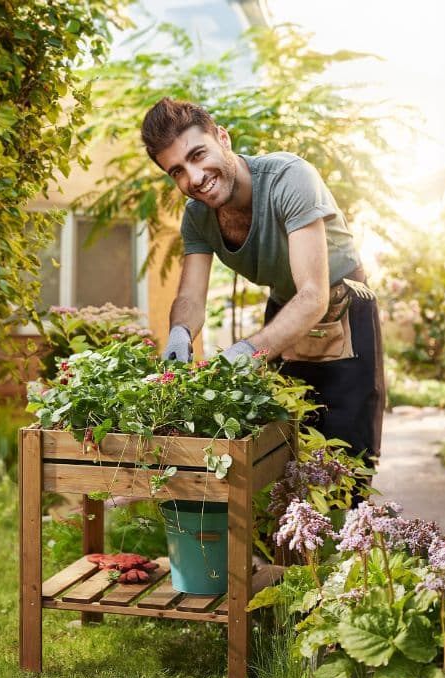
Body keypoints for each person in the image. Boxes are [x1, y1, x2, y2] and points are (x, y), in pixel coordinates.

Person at [143, 97, 384, 482]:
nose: (195, 177)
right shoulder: (198, 217)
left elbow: (313, 296)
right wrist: (180, 332)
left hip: (342, 315)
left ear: (223, 138)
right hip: (284, 310)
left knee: (346, 465)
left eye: (198, 155)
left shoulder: (290, 178)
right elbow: (190, 297)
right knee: (281, 458)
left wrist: (247, 351)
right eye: (178, 171)